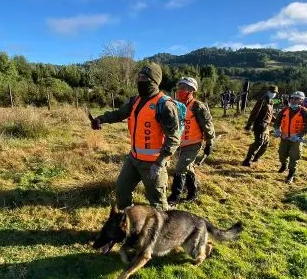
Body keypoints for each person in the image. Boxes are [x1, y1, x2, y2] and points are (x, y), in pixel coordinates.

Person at [91, 62, 180, 210]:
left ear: (154, 81)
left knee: (158, 204)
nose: (140, 80)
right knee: (121, 191)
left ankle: (165, 230)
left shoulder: (165, 105)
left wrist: (160, 162)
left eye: (144, 77)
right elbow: (119, 114)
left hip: (153, 164)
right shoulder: (135, 100)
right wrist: (101, 119)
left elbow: (174, 138)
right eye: (139, 77)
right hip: (133, 158)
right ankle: (127, 223)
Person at [167, 77, 215, 206]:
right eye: (179, 88)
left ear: (191, 91)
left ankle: (174, 197)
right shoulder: (176, 105)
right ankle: (193, 193)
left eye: (183, 88)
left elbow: (208, 125)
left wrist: (210, 143)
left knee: (180, 168)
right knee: (188, 168)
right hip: (180, 144)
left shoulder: (198, 106)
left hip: (193, 144)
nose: (179, 91)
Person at [273, 91, 307, 184]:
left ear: (301, 101)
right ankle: (283, 165)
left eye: (296, 98)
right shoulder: (284, 110)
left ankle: (290, 174)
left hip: (296, 139)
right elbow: (277, 122)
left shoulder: (305, 112)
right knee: (282, 154)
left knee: (294, 157)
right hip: (284, 137)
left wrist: (300, 135)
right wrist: (277, 130)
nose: (293, 100)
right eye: (292, 98)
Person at [242, 86, 278, 167]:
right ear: (268, 91)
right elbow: (254, 112)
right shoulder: (262, 100)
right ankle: (247, 160)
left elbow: (270, 115)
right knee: (259, 143)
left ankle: (256, 159)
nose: (273, 94)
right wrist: (249, 124)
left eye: (275, 93)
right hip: (260, 125)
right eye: (272, 92)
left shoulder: (271, 101)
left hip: (266, 126)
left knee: (266, 144)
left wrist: (278, 120)